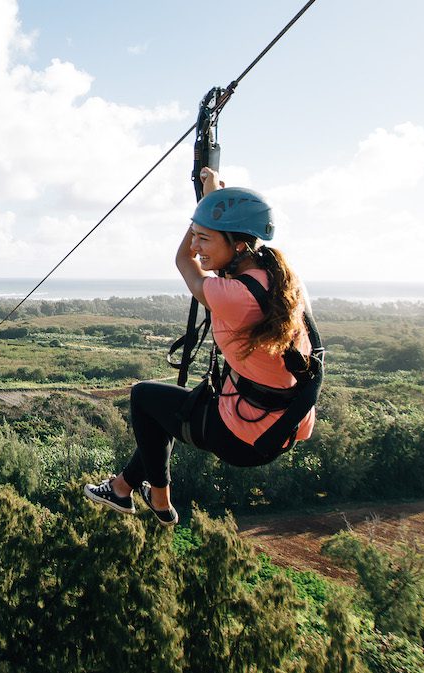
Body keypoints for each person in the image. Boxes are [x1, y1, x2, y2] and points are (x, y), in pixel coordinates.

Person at [83, 169, 318, 526]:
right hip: (281, 427)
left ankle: (159, 497)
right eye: (196, 237)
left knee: (144, 398)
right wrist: (212, 202)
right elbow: (215, 257)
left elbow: (184, 263)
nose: (195, 246)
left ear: (238, 244)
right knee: (171, 411)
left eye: (203, 238)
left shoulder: (235, 297)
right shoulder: (283, 281)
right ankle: (122, 487)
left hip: (242, 436)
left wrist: (206, 204)